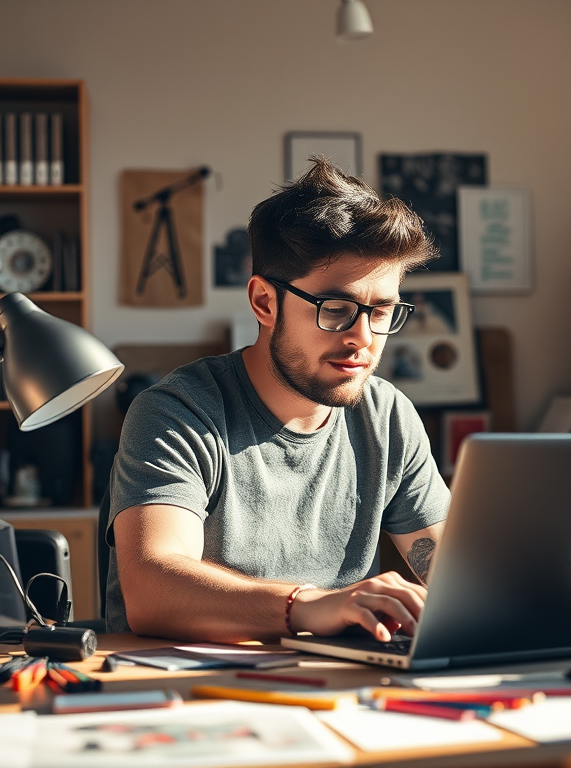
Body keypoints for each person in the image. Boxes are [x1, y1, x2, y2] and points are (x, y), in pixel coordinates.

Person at [103, 158, 450, 643]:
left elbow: (452, 574)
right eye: (337, 310)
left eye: (383, 311)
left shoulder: (387, 416)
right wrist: (310, 606)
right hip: (189, 693)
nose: (362, 338)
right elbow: (153, 590)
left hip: (340, 685)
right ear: (265, 302)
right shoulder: (178, 413)